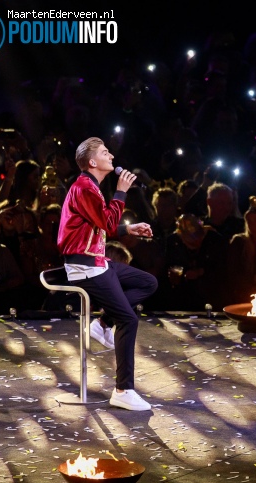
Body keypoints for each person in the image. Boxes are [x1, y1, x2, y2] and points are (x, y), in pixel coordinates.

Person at [58, 136, 158, 412]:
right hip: (85, 267)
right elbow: (108, 220)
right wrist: (122, 191)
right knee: (128, 319)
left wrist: (129, 229)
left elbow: (104, 225)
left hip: (98, 262)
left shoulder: (91, 188)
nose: (111, 155)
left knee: (147, 282)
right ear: (92, 162)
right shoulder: (84, 187)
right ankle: (123, 390)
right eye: (105, 152)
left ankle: (102, 323)